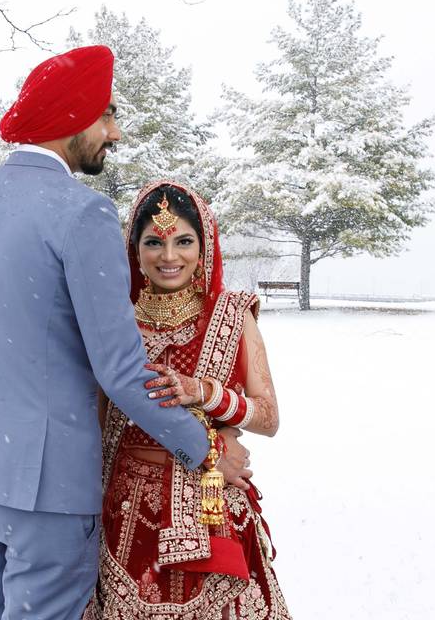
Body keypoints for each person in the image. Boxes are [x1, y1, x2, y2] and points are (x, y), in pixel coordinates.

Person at [0, 46, 248, 620]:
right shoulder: (82, 213)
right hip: (50, 487)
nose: (113, 133)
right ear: (73, 120)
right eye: (107, 116)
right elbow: (120, 369)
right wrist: (205, 447)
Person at [84, 181, 291, 619]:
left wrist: (206, 394)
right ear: (135, 250)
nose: (169, 256)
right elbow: (100, 421)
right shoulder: (116, 322)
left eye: (184, 241)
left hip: (211, 502)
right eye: (154, 242)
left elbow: (269, 418)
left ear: (204, 246)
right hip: (126, 507)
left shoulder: (232, 314)